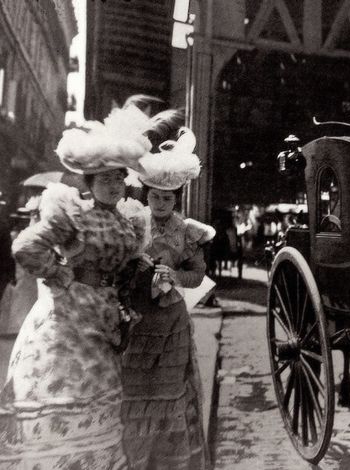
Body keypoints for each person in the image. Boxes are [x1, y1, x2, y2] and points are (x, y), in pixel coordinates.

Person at [0, 105, 152, 468]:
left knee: (101, 391)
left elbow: (128, 265)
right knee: (65, 386)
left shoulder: (128, 221)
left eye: (118, 178)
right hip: (67, 321)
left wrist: (137, 282)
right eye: (105, 180)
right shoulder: (73, 214)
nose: (114, 186)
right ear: (89, 183)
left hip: (105, 320)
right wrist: (57, 271)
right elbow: (25, 247)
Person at [121, 127, 215, 470]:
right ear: (147, 194)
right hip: (136, 320)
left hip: (171, 322)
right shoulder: (132, 223)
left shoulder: (187, 231)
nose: (160, 204)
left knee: (168, 391)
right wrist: (134, 261)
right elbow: (117, 263)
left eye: (167, 199)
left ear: (177, 198)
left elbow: (198, 274)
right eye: (155, 197)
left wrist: (175, 276)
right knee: (134, 390)